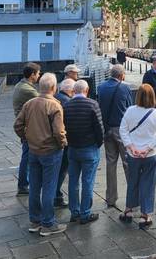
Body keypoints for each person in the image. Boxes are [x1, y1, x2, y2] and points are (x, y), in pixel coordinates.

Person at [13, 73, 67, 236]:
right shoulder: (54, 106)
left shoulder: (29, 104)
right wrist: (63, 143)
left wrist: (27, 138)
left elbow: (18, 125)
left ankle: (35, 220)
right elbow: (59, 132)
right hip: (50, 151)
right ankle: (48, 223)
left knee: (35, 186)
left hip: (34, 150)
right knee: (49, 186)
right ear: (53, 88)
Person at [118, 84, 156, 228]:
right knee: (148, 183)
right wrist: (148, 148)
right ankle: (146, 214)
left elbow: (123, 130)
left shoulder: (130, 111)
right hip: (150, 154)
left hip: (133, 154)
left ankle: (129, 209)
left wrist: (131, 146)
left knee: (133, 180)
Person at [63, 80, 104, 225]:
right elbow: (99, 128)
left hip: (73, 149)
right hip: (89, 148)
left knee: (73, 181)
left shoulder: (66, 105)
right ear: (86, 91)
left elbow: (64, 127)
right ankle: (85, 213)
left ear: (74, 91)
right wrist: (98, 144)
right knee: (88, 181)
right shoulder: (92, 104)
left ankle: (74, 212)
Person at [97, 65, 133, 209]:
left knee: (111, 163)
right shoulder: (124, 88)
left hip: (106, 129)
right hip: (121, 129)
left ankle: (111, 198)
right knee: (127, 162)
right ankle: (132, 196)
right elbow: (130, 108)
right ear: (122, 75)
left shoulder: (101, 87)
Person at [12, 62, 41, 196]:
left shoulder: (22, 85)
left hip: (25, 125)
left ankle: (24, 183)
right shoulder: (27, 89)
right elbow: (43, 99)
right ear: (32, 75)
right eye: (38, 73)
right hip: (27, 127)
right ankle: (23, 185)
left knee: (27, 155)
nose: (39, 75)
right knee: (27, 156)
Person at [53, 80, 74, 208]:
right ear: (70, 90)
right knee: (61, 170)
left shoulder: (55, 97)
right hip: (63, 142)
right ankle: (56, 196)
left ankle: (55, 195)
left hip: (50, 141)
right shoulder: (67, 102)